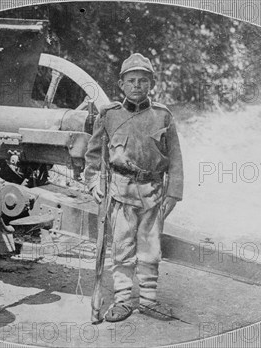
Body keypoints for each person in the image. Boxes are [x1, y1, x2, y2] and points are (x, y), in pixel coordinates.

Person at [84, 53, 184, 322]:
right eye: (131, 80)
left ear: (151, 83)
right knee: (123, 248)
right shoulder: (109, 116)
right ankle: (123, 300)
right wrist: (94, 182)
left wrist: (173, 193)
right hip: (121, 192)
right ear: (121, 84)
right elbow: (93, 156)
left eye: (143, 80)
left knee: (150, 248)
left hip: (153, 193)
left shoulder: (162, 116)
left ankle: (149, 300)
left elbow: (175, 158)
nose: (137, 85)